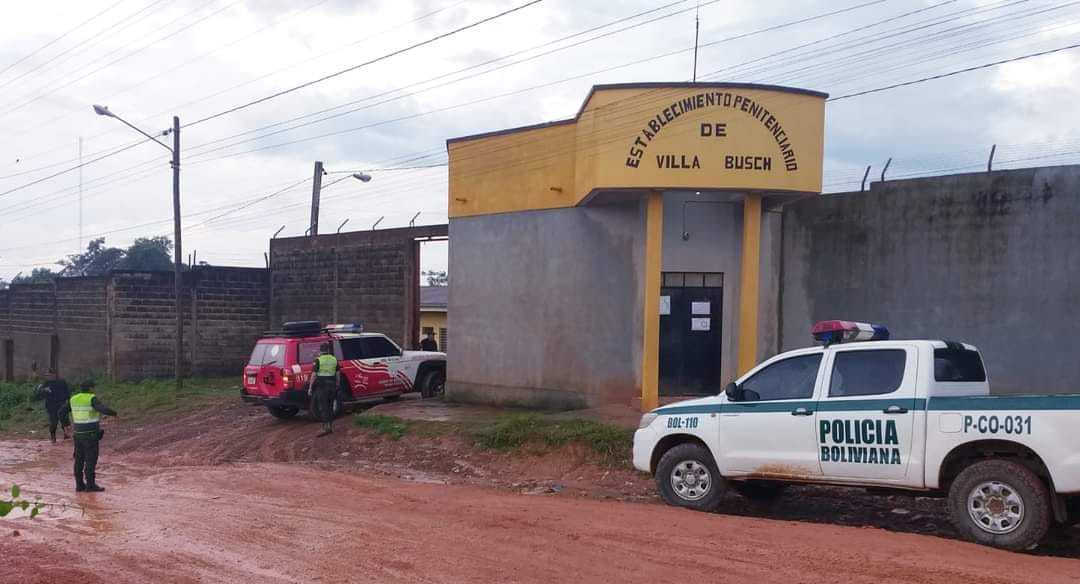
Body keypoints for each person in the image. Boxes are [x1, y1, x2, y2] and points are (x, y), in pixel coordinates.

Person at [60, 380, 117, 493]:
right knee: (91, 459)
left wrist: (66, 425)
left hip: (78, 435)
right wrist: (114, 413)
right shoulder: (91, 398)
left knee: (79, 460)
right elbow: (102, 409)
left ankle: (79, 485)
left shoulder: (74, 399)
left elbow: (61, 412)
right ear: (91, 388)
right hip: (90, 435)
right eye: (93, 387)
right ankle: (90, 485)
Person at [307, 343, 339, 437]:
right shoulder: (334, 359)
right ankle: (330, 426)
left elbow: (314, 375)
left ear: (320, 351)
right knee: (330, 406)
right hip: (332, 386)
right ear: (328, 350)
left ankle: (326, 428)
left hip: (322, 387)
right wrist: (338, 384)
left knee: (323, 407)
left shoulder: (318, 360)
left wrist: (310, 387)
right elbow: (338, 373)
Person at [35, 368, 71, 443]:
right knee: (53, 422)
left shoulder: (62, 382)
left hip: (61, 404)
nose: (48, 376)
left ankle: (66, 434)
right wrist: (44, 390)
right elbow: (39, 394)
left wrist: (68, 402)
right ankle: (53, 437)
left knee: (64, 420)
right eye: (47, 375)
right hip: (51, 405)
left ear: (54, 375)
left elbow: (67, 392)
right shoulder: (46, 383)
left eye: (49, 375)